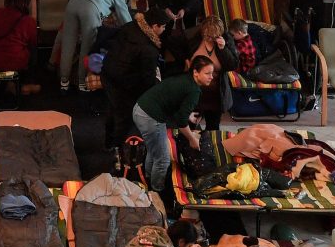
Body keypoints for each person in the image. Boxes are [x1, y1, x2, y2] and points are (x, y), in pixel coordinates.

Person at [132, 57, 215, 193]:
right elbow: (181, 122)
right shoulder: (194, 91)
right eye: (207, 73)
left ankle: (147, 179)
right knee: (163, 160)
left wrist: (187, 115)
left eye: (212, 73)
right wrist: (192, 139)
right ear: (195, 72)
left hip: (140, 108)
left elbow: (174, 102)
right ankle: (157, 192)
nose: (211, 77)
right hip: (150, 117)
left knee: (154, 150)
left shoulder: (185, 80)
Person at [100, 10, 167, 153]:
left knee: (113, 109)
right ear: (155, 26)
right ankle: (118, 149)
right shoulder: (148, 49)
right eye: (163, 27)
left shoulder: (130, 26)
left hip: (108, 72)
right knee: (124, 116)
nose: (164, 30)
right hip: (126, 83)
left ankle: (109, 142)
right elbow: (147, 79)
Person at [58, 0, 134, 92]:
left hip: (72, 4)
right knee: (87, 47)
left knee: (67, 45)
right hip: (90, 10)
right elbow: (127, 23)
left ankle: (64, 83)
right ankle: (82, 83)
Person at [186, 17, 239, 130]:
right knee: (190, 124)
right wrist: (186, 62)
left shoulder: (227, 39)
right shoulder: (193, 37)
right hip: (195, 91)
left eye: (213, 36)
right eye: (207, 36)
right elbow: (180, 50)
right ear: (202, 31)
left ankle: (210, 146)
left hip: (215, 94)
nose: (210, 39)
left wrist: (223, 49)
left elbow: (233, 65)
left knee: (213, 127)